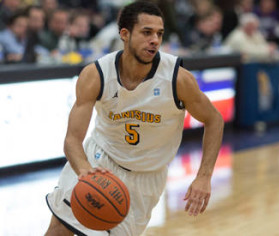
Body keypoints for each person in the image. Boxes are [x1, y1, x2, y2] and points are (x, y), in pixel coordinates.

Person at [45, 1, 224, 236]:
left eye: (159, 34)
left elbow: (214, 120)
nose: (155, 40)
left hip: (145, 178)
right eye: (146, 32)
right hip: (99, 160)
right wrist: (84, 170)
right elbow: (72, 140)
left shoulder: (177, 79)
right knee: (59, 230)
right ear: (125, 34)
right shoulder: (96, 74)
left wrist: (203, 177)